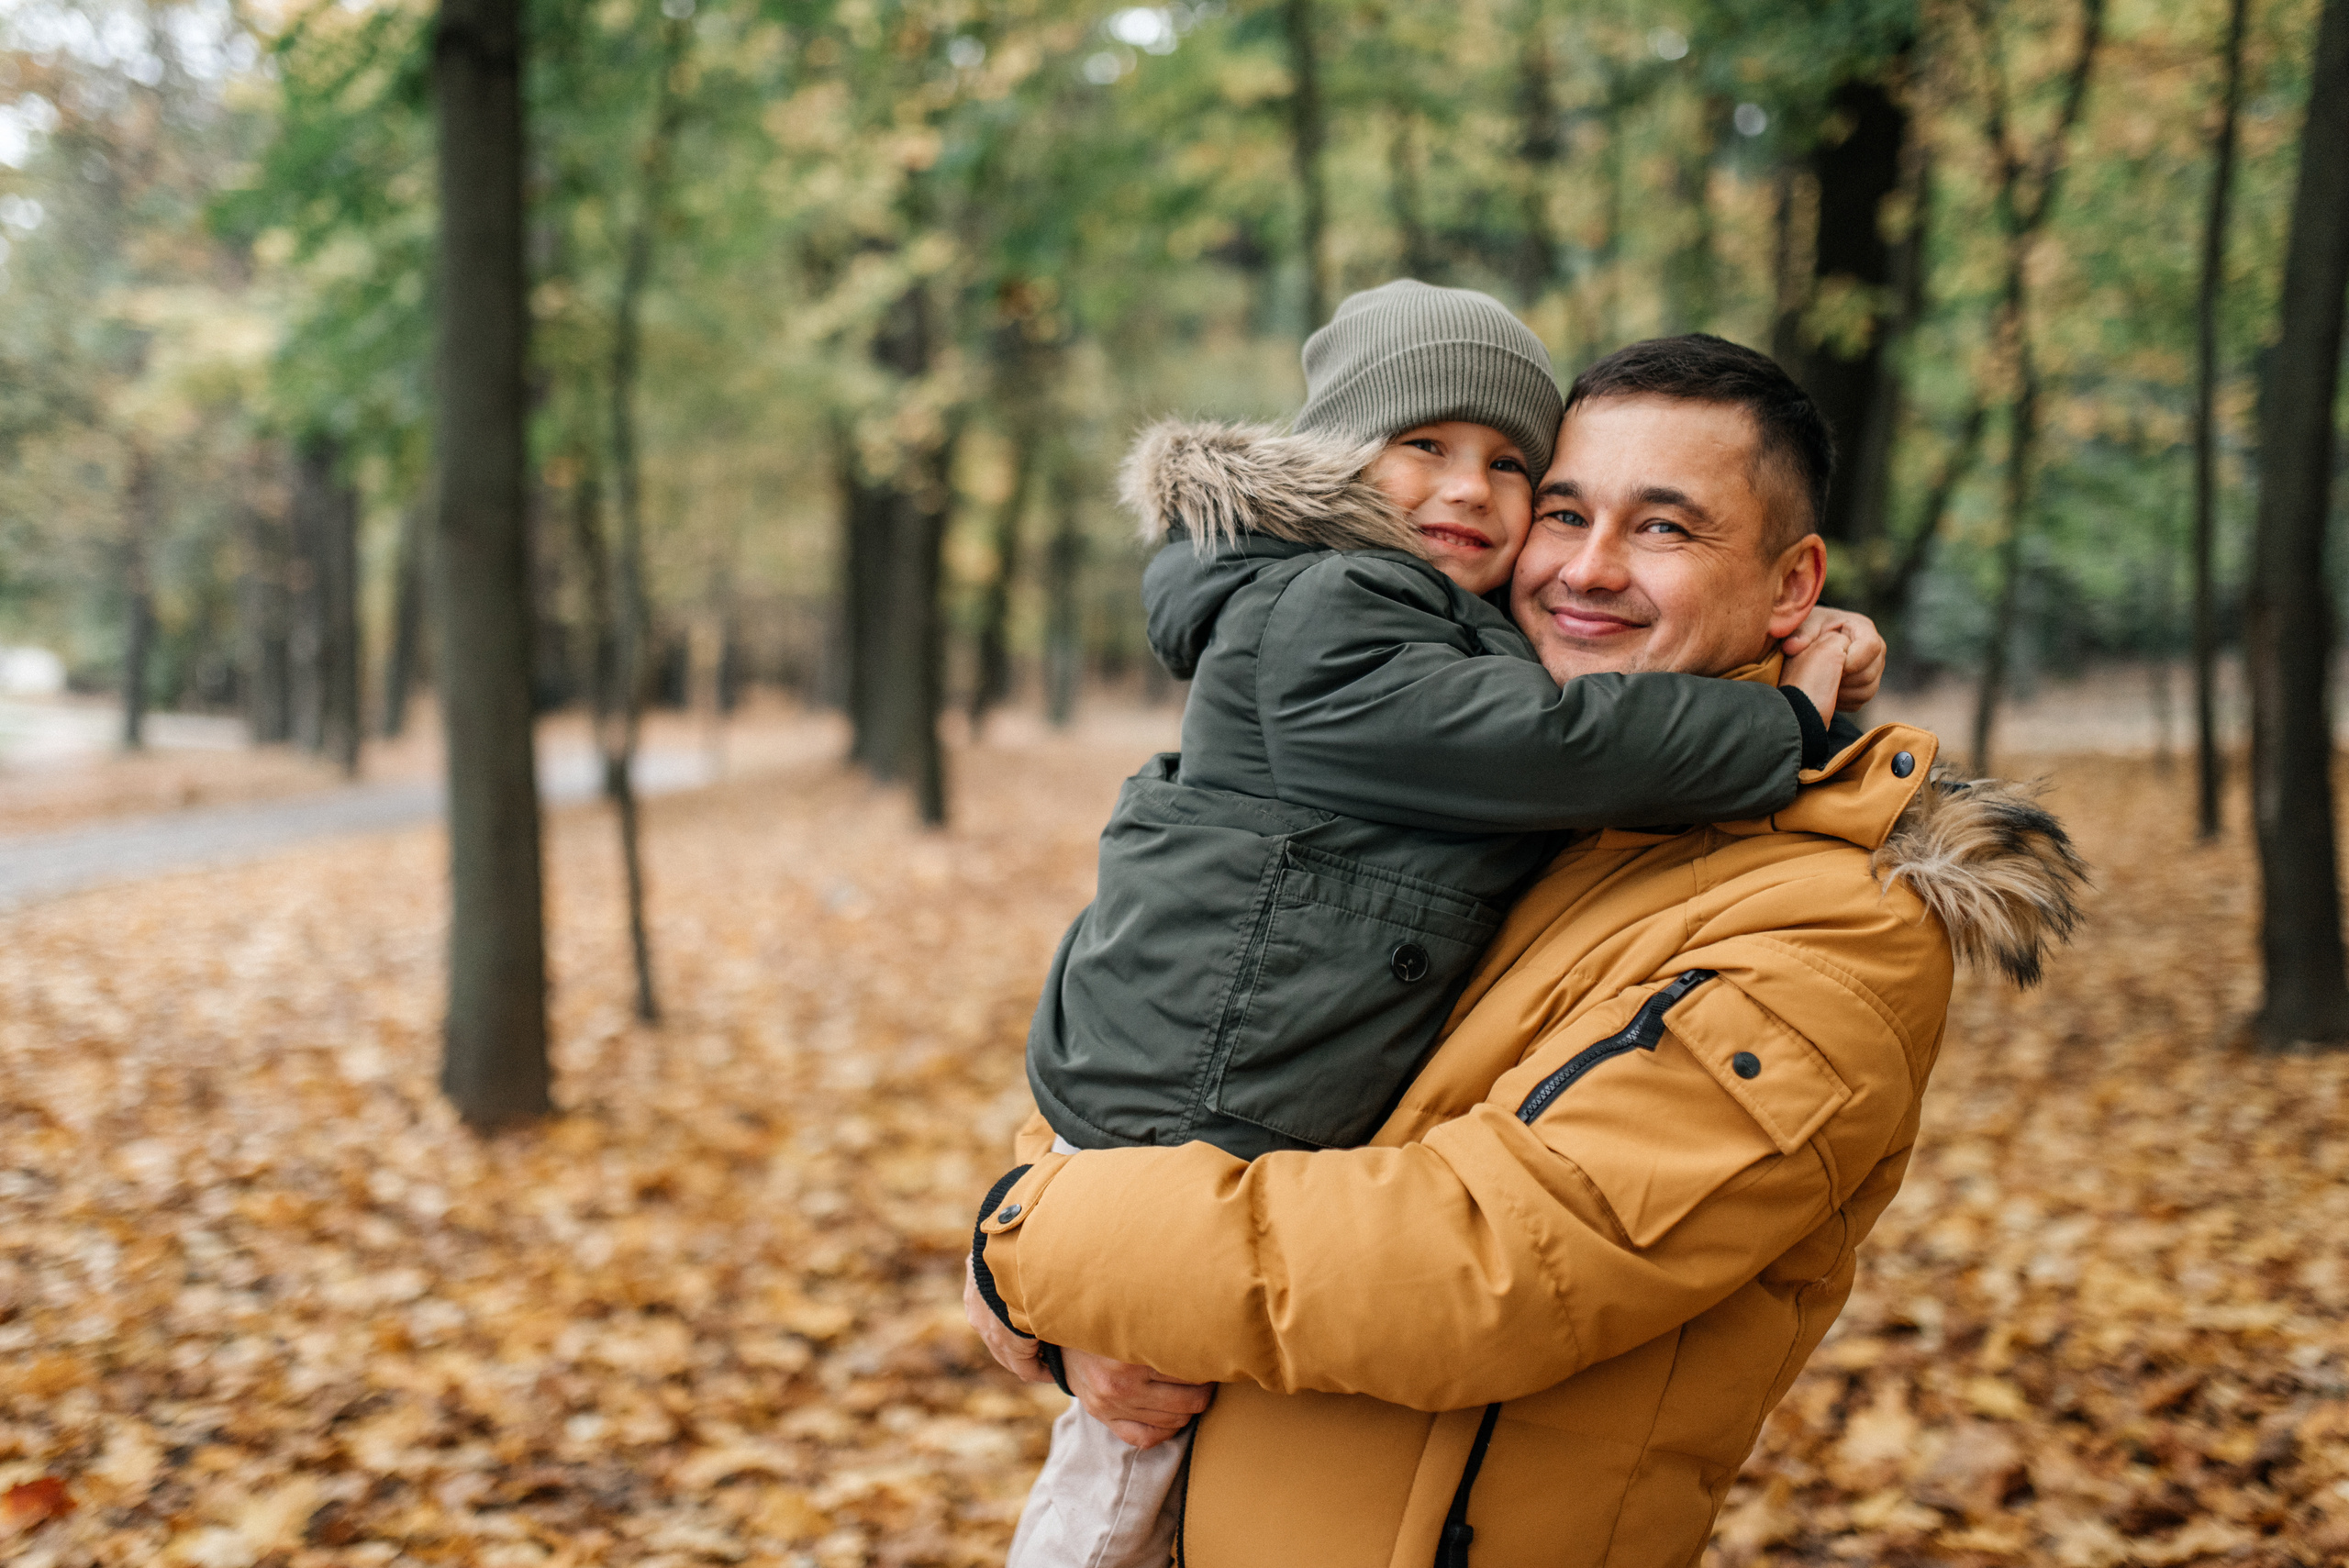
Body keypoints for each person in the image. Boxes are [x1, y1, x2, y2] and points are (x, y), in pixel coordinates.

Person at [968, 334, 2086, 1567]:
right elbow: (1197, 1029)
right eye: (1564, 511)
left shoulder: (1832, 923)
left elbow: (1478, 1266)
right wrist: (1077, 1293)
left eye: (1663, 528)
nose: (1587, 570)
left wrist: (1037, 1242)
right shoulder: (1506, 803)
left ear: (1792, 586)